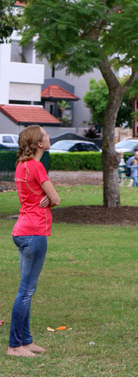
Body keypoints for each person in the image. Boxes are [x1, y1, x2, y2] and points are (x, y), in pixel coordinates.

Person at [8, 125, 60, 358]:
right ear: (39, 144)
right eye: (45, 135)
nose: (48, 137)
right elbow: (56, 198)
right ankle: (15, 346)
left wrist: (46, 198)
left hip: (21, 231)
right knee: (26, 291)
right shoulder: (37, 166)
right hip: (34, 232)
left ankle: (26, 341)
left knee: (26, 290)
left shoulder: (21, 165)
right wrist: (49, 198)